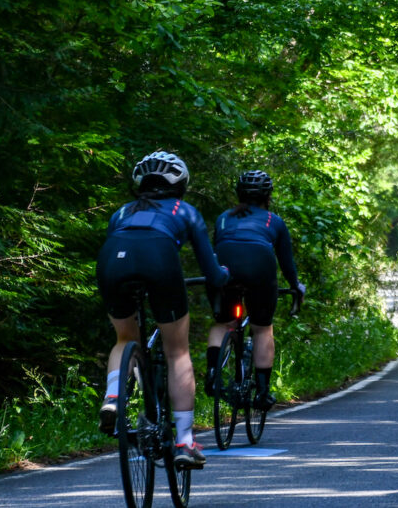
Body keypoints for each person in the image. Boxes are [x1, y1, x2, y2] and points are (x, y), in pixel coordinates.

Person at [95, 151, 229, 471]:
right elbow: (212, 273)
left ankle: (113, 398)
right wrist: (225, 275)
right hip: (159, 262)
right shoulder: (185, 211)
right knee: (177, 352)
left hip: (112, 261)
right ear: (181, 184)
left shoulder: (122, 211)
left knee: (125, 339)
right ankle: (184, 441)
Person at [205, 170, 306, 411]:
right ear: (268, 196)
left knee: (223, 323)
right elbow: (286, 263)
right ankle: (262, 392)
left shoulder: (223, 218)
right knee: (262, 328)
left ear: (238, 194)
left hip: (224, 266)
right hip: (260, 266)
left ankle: (212, 376)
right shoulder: (274, 221)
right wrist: (295, 286)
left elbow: (215, 247)